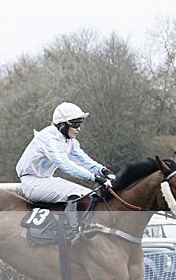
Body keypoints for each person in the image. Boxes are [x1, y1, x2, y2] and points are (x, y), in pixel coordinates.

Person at [15, 102, 115, 244]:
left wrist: (103, 170)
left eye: (80, 123)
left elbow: (83, 159)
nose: (78, 128)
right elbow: (66, 166)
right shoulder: (48, 138)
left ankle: (87, 226)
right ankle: (72, 233)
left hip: (47, 179)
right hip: (32, 182)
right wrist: (95, 178)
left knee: (89, 194)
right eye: (75, 124)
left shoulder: (69, 140)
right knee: (73, 193)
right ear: (62, 124)